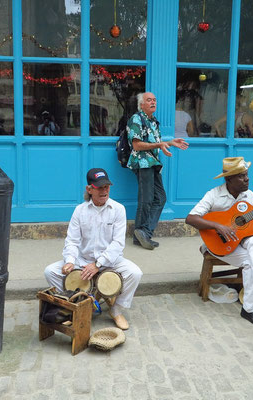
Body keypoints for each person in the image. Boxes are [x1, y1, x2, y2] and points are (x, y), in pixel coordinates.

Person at [185, 157, 253, 328]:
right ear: (228, 179)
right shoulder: (214, 194)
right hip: (218, 245)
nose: (246, 179)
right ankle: (250, 308)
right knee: (250, 263)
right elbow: (191, 218)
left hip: (242, 242)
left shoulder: (250, 196)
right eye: (241, 176)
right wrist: (218, 226)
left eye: (247, 175)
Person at [44, 168, 142, 330]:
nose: (104, 191)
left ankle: (116, 310)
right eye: (99, 187)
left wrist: (98, 264)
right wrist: (69, 261)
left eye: (107, 187)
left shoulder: (118, 209)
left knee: (135, 273)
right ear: (89, 189)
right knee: (50, 271)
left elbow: (118, 243)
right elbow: (72, 241)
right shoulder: (80, 211)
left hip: (110, 261)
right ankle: (77, 304)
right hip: (82, 261)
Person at [127, 92, 189, 250]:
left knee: (160, 198)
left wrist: (169, 143)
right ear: (142, 104)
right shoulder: (136, 119)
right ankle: (142, 233)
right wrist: (159, 145)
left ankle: (144, 233)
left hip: (153, 162)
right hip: (142, 162)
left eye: (154, 100)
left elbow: (156, 142)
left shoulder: (153, 121)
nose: (153, 102)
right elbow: (137, 145)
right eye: (149, 100)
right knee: (146, 199)